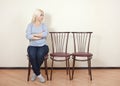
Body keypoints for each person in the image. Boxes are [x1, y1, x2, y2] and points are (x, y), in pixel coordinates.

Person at [26, 9, 49, 83]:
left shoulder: (44, 25)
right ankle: (38, 74)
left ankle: (35, 72)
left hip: (43, 46)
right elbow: (28, 36)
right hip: (32, 45)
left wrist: (34, 35)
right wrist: (40, 35)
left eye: (43, 15)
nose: (43, 16)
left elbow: (45, 34)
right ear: (36, 16)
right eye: (41, 15)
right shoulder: (30, 25)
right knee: (32, 55)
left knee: (40, 55)